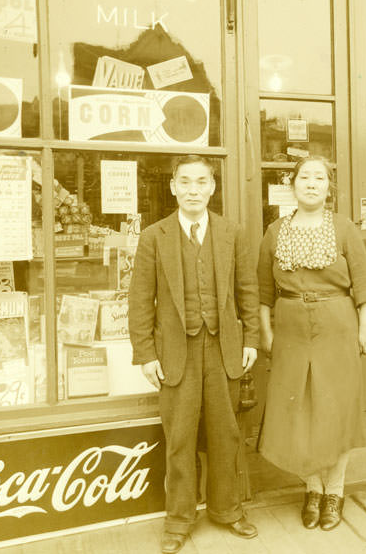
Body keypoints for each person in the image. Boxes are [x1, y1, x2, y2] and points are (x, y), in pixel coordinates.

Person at [129, 155, 260, 554]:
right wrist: (146, 354)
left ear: (212, 187)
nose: (193, 190)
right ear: (172, 187)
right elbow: (139, 300)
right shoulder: (155, 236)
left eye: (201, 182)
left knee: (226, 433)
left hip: (223, 349)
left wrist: (251, 339)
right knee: (181, 437)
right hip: (175, 352)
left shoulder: (231, 232)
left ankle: (227, 509)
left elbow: (247, 291)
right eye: (185, 182)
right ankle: (179, 519)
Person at [256, 157, 366, 531]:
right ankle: (311, 487)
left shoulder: (343, 228)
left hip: (337, 325)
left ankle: (334, 492)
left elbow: (364, 281)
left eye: (319, 178)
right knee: (301, 411)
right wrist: (266, 332)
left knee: (335, 409)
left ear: (329, 187)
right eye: (304, 177)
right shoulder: (275, 231)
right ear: (293, 185)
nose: (311, 184)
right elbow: (262, 291)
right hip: (291, 328)